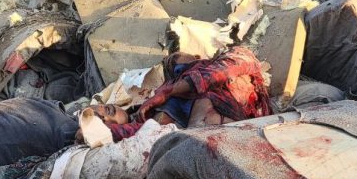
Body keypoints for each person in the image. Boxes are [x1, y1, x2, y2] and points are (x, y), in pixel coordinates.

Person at [88, 46, 272, 141]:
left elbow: (227, 67)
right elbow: (136, 132)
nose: (103, 115)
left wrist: (168, 90)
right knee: (202, 116)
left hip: (222, 82)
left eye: (97, 112)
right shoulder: (143, 125)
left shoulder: (148, 99)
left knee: (232, 64)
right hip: (221, 111)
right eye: (100, 120)